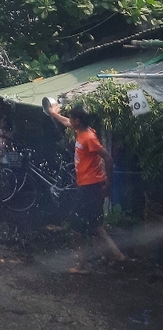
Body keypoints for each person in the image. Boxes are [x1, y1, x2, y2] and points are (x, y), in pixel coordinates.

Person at [48, 102, 127, 272]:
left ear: (77, 120)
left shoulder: (89, 137)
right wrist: (53, 114)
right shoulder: (82, 130)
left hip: (89, 187)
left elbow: (108, 159)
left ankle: (81, 265)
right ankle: (118, 256)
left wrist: (109, 184)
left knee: (76, 227)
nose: (69, 120)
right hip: (90, 185)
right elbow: (66, 123)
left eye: (71, 117)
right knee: (95, 226)